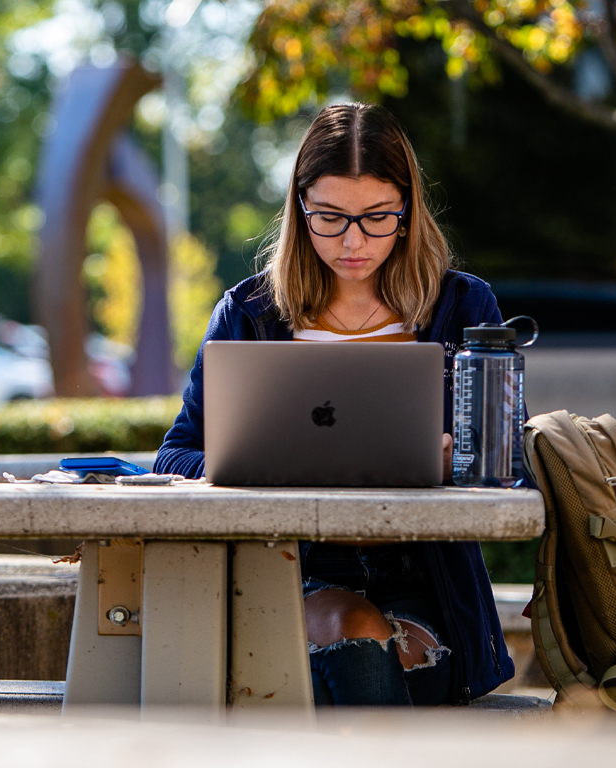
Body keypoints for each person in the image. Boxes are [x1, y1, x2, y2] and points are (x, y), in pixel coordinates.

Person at [155, 102, 514, 706]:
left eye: (377, 217)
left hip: (427, 577)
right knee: (356, 635)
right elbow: (176, 456)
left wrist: (460, 457)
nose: (353, 241)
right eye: (329, 218)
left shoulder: (462, 306)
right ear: (300, 209)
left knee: (366, 670)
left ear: (407, 211)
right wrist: (255, 462)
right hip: (289, 567)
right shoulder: (251, 314)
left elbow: (511, 465)